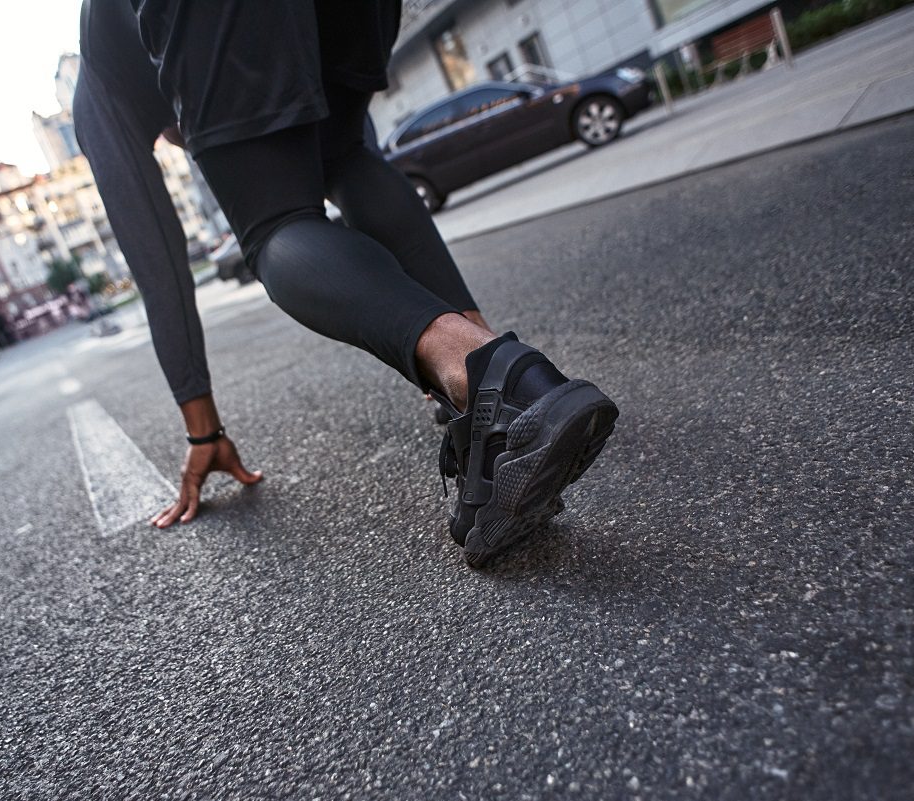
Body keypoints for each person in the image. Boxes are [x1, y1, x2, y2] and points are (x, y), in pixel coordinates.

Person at [74, 0, 618, 566]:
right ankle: (505, 387)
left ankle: (495, 386)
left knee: (276, 224)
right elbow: (359, 165)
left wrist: (202, 433)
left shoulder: (99, 86)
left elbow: (157, 267)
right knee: (344, 155)